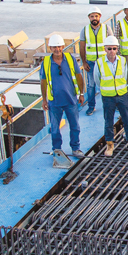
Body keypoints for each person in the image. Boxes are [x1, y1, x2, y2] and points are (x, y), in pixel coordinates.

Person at [39, 34, 85, 162]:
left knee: (75, 126)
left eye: (59, 47)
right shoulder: (46, 62)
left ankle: (75, 148)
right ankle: (57, 150)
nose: (57, 49)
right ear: (50, 48)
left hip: (71, 100)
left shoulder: (70, 59)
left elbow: (79, 76)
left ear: (63, 46)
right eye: (54, 47)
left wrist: (81, 94)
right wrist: (44, 99)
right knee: (55, 129)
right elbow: (43, 81)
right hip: (54, 102)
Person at [92, 36, 128, 157]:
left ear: (117, 49)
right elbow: (97, 79)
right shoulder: (99, 63)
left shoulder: (122, 61)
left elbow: (125, 75)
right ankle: (109, 144)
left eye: (114, 48)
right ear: (105, 49)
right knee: (108, 121)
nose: (112, 51)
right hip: (108, 96)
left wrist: (126, 91)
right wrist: (106, 88)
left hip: (121, 94)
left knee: (127, 119)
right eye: (109, 48)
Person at [78, 7, 107, 116]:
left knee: (105, 83)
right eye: (92, 16)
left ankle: (107, 105)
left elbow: (112, 44)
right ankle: (91, 106)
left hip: (104, 62)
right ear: (89, 17)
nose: (94, 18)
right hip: (90, 62)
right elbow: (82, 47)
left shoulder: (106, 29)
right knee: (91, 85)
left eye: (96, 16)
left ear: (100, 16)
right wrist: (84, 62)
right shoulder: (84, 30)